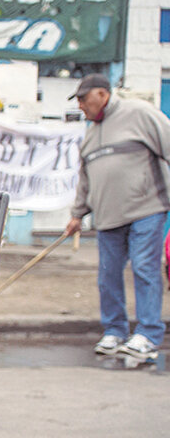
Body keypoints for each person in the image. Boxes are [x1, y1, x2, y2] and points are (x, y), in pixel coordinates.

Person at [64, 73, 170, 361]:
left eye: (84, 99)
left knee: (145, 269)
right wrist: (77, 215)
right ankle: (115, 331)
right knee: (107, 276)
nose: (81, 106)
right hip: (108, 218)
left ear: (102, 94)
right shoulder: (90, 135)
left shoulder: (139, 113)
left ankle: (147, 335)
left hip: (145, 210)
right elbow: (85, 179)